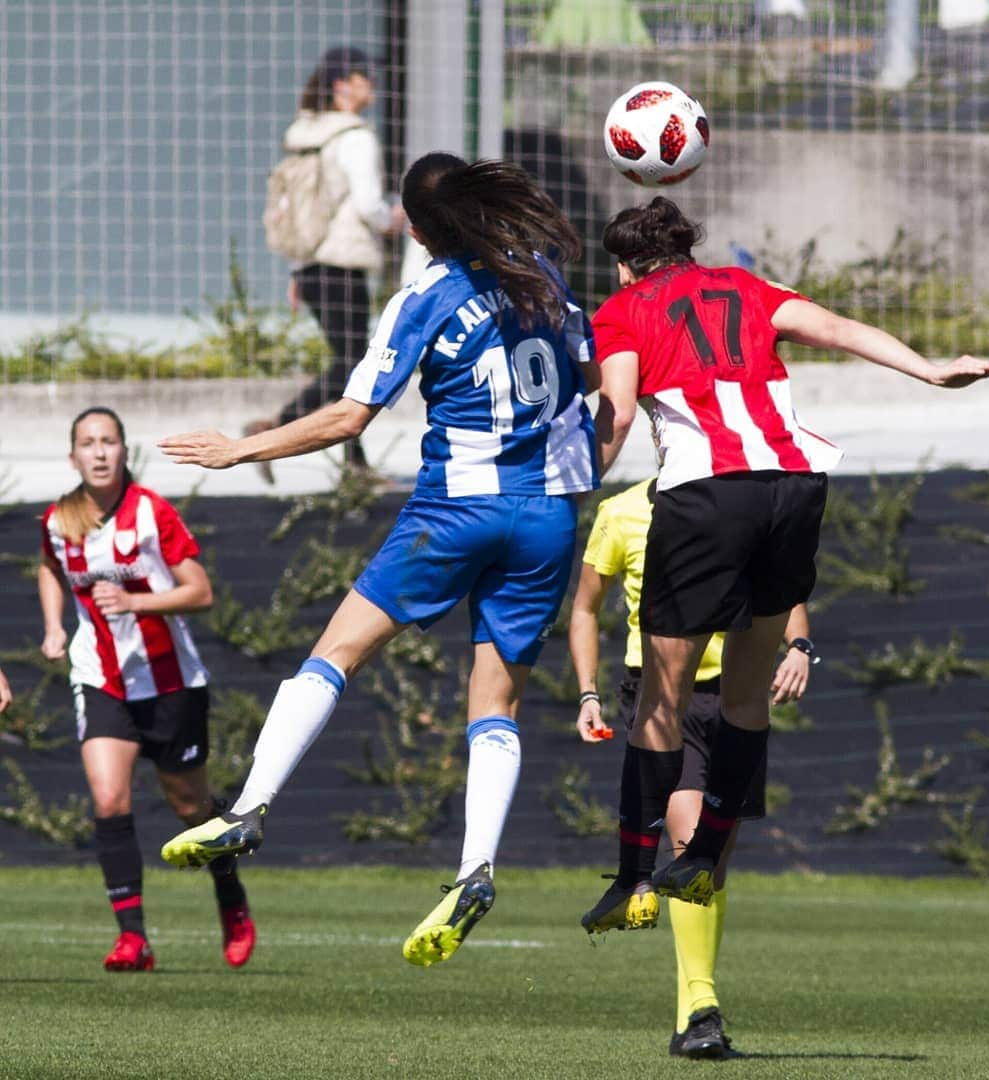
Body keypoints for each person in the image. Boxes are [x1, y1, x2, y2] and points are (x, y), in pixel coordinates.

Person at [157, 153, 600, 967]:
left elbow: (349, 417)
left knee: (337, 652)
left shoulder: (426, 298)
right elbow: (591, 381)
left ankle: (251, 807)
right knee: (493, 702)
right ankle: (474, 870)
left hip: (458, 509)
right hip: (548, 517)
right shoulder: (543, 277)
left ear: (415, 226)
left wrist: (239, 449)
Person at [580, 196, 989, 934]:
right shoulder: (746, 287)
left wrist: (573, 482)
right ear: (687, 251)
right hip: (796, 487)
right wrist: (931, 371)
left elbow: (615, 409)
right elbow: (835, 330)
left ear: (624, 265)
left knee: (659, 696)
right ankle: (706, 857)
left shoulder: (623, 310)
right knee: (746, 690)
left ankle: (632, 875)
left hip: (707, 493)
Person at [571, 476, 814, 1059]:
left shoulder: (741, 503)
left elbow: (786, 594)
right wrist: (588, 693)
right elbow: (584, 606)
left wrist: (800, 647)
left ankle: (690, 1021)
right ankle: (703, 1005)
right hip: (659, 697)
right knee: (687, 844)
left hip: (733, 700)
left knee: (709, 871)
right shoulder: (622, 512)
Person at [37, 407, 255, 972]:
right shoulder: (59, 520)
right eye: (88, 442)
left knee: (190, 808)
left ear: (124, 451)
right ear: (73, 457)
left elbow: (200, 591)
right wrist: (54, 626)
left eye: (109, 441)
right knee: (109, 799)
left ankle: (231, 896)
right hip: (101, 677)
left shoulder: (152, 512)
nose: (100, 452)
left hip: (170, 682)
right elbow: (48, 566)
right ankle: (132, 938)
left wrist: (135, 601)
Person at [246, 45, 407, 481]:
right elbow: (370, 206)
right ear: (342, 86)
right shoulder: (355, 137)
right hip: (342, 265)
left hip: (312, 267)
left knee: (351, 364)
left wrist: (297, 270)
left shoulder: (305, 133)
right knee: (353, 366)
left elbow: (295, 207)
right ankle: (274, 428)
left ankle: (354, 463)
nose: (371, 84)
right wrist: (400, 217)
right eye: (364, 76)